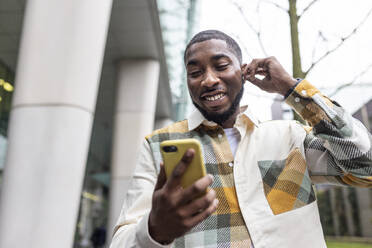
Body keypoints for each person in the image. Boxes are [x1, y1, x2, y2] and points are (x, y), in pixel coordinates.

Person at [109, 30, 372, 248]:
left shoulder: (289, 136)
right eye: (195, 72)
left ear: (243, 71)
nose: (209, 80)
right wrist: (155, 230)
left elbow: (366, 165)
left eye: (221, 66)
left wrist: (291, 88)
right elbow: (121, 242)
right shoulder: (159, 146)